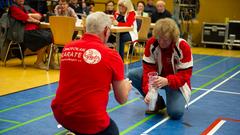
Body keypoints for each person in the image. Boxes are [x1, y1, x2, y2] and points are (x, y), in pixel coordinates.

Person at [51, 12, 132, 135]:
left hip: (60, 115)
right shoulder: (112, 55)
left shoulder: (68, 47)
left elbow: (85, 79)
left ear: (84, 28)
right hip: (90, 121)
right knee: (112, 131)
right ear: (106, 31)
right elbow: (122, 99)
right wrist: (126, 87)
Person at [127, 18, 193, 120]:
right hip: (157, 76)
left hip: (175, 82)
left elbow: (185, 75)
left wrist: (167, 81)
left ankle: (169, 101)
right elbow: (148, 70)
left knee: (176, 113)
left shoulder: (182, 46)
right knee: (132, 74)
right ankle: (157, 103)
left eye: (165, 39)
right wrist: (149, 91)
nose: (161, 42)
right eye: (159, 38)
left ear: (173, 37)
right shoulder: (152, 43)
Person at [9, 0, 58, 70]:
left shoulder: (26, 7)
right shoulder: (13, 8)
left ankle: (51, 61)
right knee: (46, 37)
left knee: (51, 35)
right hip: (23, 32)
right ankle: (39, 62)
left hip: (34, 31)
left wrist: (30, 15)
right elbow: (26, 18)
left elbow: (39, 16)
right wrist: (34, 20)